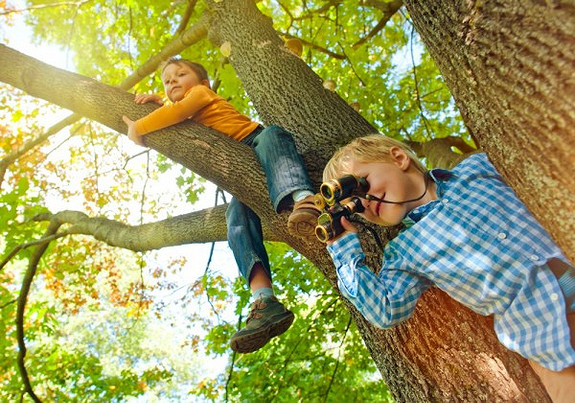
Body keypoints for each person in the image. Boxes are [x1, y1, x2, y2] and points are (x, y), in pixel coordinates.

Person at [322, 134, 575, 402]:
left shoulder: (476, 169)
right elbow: (385, 309)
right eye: (355, 205)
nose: (365, 202)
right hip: (546, 338)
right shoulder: (404, 250)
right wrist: (342, 245)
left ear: (399, 158)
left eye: (362, 183)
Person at [122, 58, 320, 353]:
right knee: (236, 217)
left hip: (255, 142)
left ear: (203, 84)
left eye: (180, 74)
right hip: (241, 171)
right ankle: (265, 301)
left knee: (272, 134)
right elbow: (176, 116)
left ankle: (305, 201)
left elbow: (179, 112)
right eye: (166, 81)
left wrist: (140, 126)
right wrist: (158, 104)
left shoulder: (202, 95)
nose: (172, 81)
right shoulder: (186, 111)